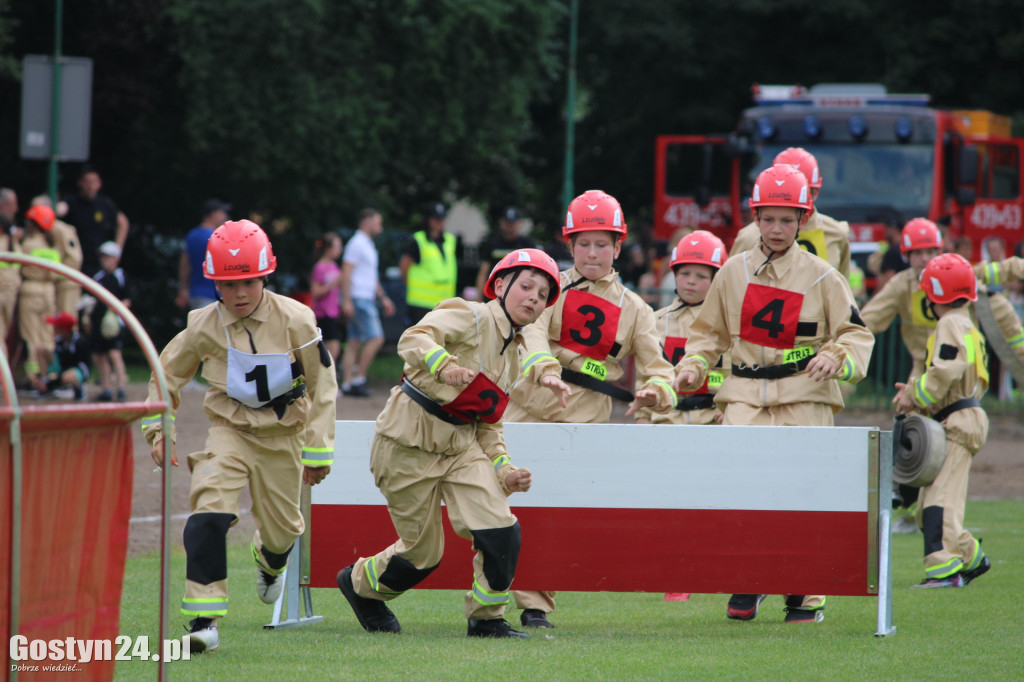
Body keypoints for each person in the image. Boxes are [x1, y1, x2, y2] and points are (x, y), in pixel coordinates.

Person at [673, 164, 874, 624]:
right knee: (742, 487)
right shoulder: (731, 272)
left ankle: (806, 590)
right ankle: (750, 577)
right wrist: (693, 365)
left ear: (803, 219)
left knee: (806, 491)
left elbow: (856, 334)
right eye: (769, 218)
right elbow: (707, 335)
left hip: (805, 394)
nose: (778, 228)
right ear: (755, 218)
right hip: (744, 393)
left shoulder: (824, 276)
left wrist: (838, 354)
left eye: (788, 219)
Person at [335, 248, 568, 639]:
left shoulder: (514, 357)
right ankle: (359, 585)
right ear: (499, 285)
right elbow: (413, 338)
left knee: (501, 527)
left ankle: (486, 618)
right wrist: (444, 365)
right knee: (422, 556)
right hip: (405, 444)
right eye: (526, 286)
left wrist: (506, 470)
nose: (534, 298)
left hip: (461, 448)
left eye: (543, 295)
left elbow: (489, 425)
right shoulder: (470, 314)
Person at [142, 220, 336, 654]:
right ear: (213, 283)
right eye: (228, 285)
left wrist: (319, 449)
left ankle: (271, 561)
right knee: (208, 507)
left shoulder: (298, 320)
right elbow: (165, 373)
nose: (240, 294)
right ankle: (204, 620)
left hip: (284, 435)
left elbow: (324, 384)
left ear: (265, 275)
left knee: (283, 531)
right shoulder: (202, 325)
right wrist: (159, 431)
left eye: (248, 281)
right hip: (229, 431)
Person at [505, 190, 679, 629]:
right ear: (570, 245)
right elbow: (532, 334)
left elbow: (658, 368)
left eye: (602, 244)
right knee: (496, 504)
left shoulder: (636, 309)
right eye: (583, 243)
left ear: (619, 248)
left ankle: (535, 605)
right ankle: (487, 598)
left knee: (552, 513)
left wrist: (655, 392)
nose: (592, 253)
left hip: (582, 422)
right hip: (523, 410)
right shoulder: (549, 286)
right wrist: (547, 368)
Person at [892, 253, 991, 588]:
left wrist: (914, 396)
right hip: (962, 414)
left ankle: (944, 570)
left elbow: (946, 369)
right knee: (927, 505)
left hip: (957, 418)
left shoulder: (950, 323)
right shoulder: (966, 322)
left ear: (934, 294)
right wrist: (917, 391)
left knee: (938, 502)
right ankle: (970, 555)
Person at [634, 230, 729, 427]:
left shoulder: (727, 324)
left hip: (712, 422)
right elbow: (645, 373)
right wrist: (642, 416)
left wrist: (728, 405)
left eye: (701, 276)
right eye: (685, 273)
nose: (691, 281)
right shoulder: (655, 320)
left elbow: (735, 372)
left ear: (717, 279)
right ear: (675, 274)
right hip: (665, 421)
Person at [730, 148, 851, 278]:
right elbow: (731, 287)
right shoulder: (748, 237)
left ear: (815, 193)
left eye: (802, 191)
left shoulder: (837, 233)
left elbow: (842, 286)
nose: (793, 199)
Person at [340, 209, 395, 397]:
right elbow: (346, 271)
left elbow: (371, 277)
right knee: (376, 338)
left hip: (364, 297)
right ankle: (359, 379)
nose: (380, 228)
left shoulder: (366, 244)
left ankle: (347, 383)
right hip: (359, 298)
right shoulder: (357, 244)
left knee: (354, 342)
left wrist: (383, 297)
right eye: (377, 223)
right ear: (367, 223)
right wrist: (346, 300)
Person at [17, 205, 60, 388]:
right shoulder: (53, 249)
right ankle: (51, 375)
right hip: (49, 292)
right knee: (47, 336)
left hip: (30, 291)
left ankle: (34, 378)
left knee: (32, 337)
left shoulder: (27, 245)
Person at [60, 166, 129, 277]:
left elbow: (123, 223)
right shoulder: (71, 201)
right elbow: (60, 210)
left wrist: (116, 252)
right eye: (87, 182)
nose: (90, 186)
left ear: (99, 184)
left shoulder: (104, 204)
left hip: (98, 264)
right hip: (75, 262)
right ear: (80, 183)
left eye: (93, 182)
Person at [400, 202, 457, 325]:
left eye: (442, 218)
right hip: (421, 303)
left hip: (444, 302)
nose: (440, 222)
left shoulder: (450, 241)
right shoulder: (418, 241)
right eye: (436, 219)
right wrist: (411, 287)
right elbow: (404, 266)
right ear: (428, 220)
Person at [90, 242, 131, 402]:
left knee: (114, 353)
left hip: (114, 322)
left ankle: (121, 388)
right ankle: (105, 388)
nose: (104, 260)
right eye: (103, 256)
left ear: (116, 258)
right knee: (99, 355)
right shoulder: (98, 277)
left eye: (108, 256)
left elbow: (127, 299)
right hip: (98, 321)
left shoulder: (121, 276)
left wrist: (116, 311)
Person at [31, 195, 83, 316]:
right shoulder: (42, 230)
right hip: (52, 285)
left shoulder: (60, 229)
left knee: (65, 321)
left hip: (66, 284)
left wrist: (55, 274)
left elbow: (74, 259)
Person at [177, 199, 230, 310]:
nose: (225, 216)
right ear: (213, 214)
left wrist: (184, 289)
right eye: (222, 213)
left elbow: (184, 264)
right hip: (213, 294)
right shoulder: (217, 237)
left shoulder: (192, 234)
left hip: (195, 293)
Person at [474, 207, 536, 301]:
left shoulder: (527, 244)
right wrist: (479, 297)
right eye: (507, 222)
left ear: (519, 223)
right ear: (501, 222)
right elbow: (483, 271)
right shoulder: (493, 244)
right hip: (494, 294)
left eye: (512, 223)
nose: (509, 226)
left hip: (518, 294)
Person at [310, 232, 346, 376]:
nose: (339, 250)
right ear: (327, 249)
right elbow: (315, 291)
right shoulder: (319, 267)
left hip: (334, 312)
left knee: (335, 347)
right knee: (333, 347)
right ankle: (326, 377)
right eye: (337, 246)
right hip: (323, 312)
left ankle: (329, 377)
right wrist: (332, 284)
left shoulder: (334, 266)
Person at [40, 311, 90, 400]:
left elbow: (78, 364)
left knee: (69, 376)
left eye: (56, 327)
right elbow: (58, 361)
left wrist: (53, 382)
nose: (54, 329)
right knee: (40, 350)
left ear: (64, 329)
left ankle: (76, 388)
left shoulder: (79, 342)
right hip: (63, 369)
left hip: (78, 370)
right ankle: (43, 380)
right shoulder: (59, 341)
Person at [0, 188, 21, 347]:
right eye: (13, 204)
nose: (16, 209)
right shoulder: (14, 243)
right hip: (9, 291)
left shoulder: (12, 241)